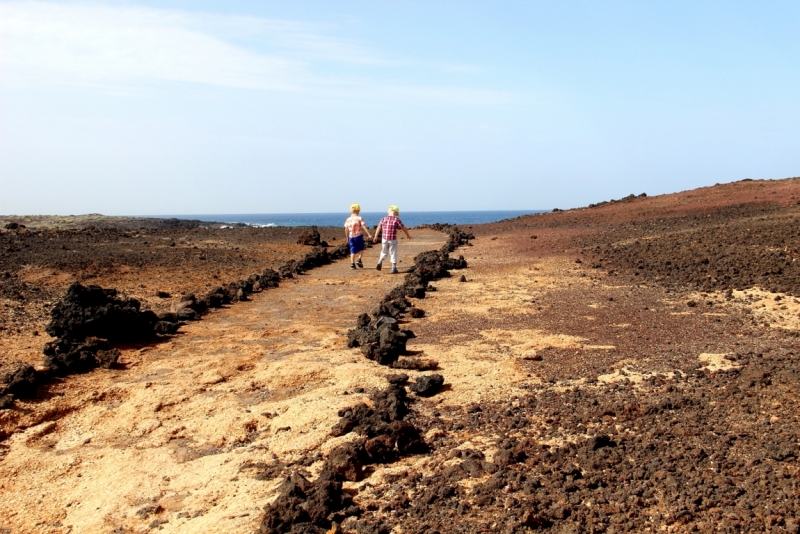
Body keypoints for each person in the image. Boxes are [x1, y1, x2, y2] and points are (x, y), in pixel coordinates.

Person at [373, 205, 411, 274]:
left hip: (384, 239)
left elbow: (379, 227)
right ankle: (393, 268)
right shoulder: (397, 220)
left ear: (389, 211)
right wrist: (408, 235)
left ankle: (380, 261)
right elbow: (403, 228)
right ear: (396, 213)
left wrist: (375, 236)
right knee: (393, 252)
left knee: (384, 251)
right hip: (392, 239)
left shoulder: (383, 219)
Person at [344, 204, 372, 270]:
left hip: (351, 237)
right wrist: (368, 234)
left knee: (352, 250)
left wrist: (347, 237)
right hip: (358, 236)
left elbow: (346, 229)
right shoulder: (359, 218)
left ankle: (352, 264)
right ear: (358, 211)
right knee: (361, 248)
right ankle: (359, 259)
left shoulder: (348, 219)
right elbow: (363, 226)